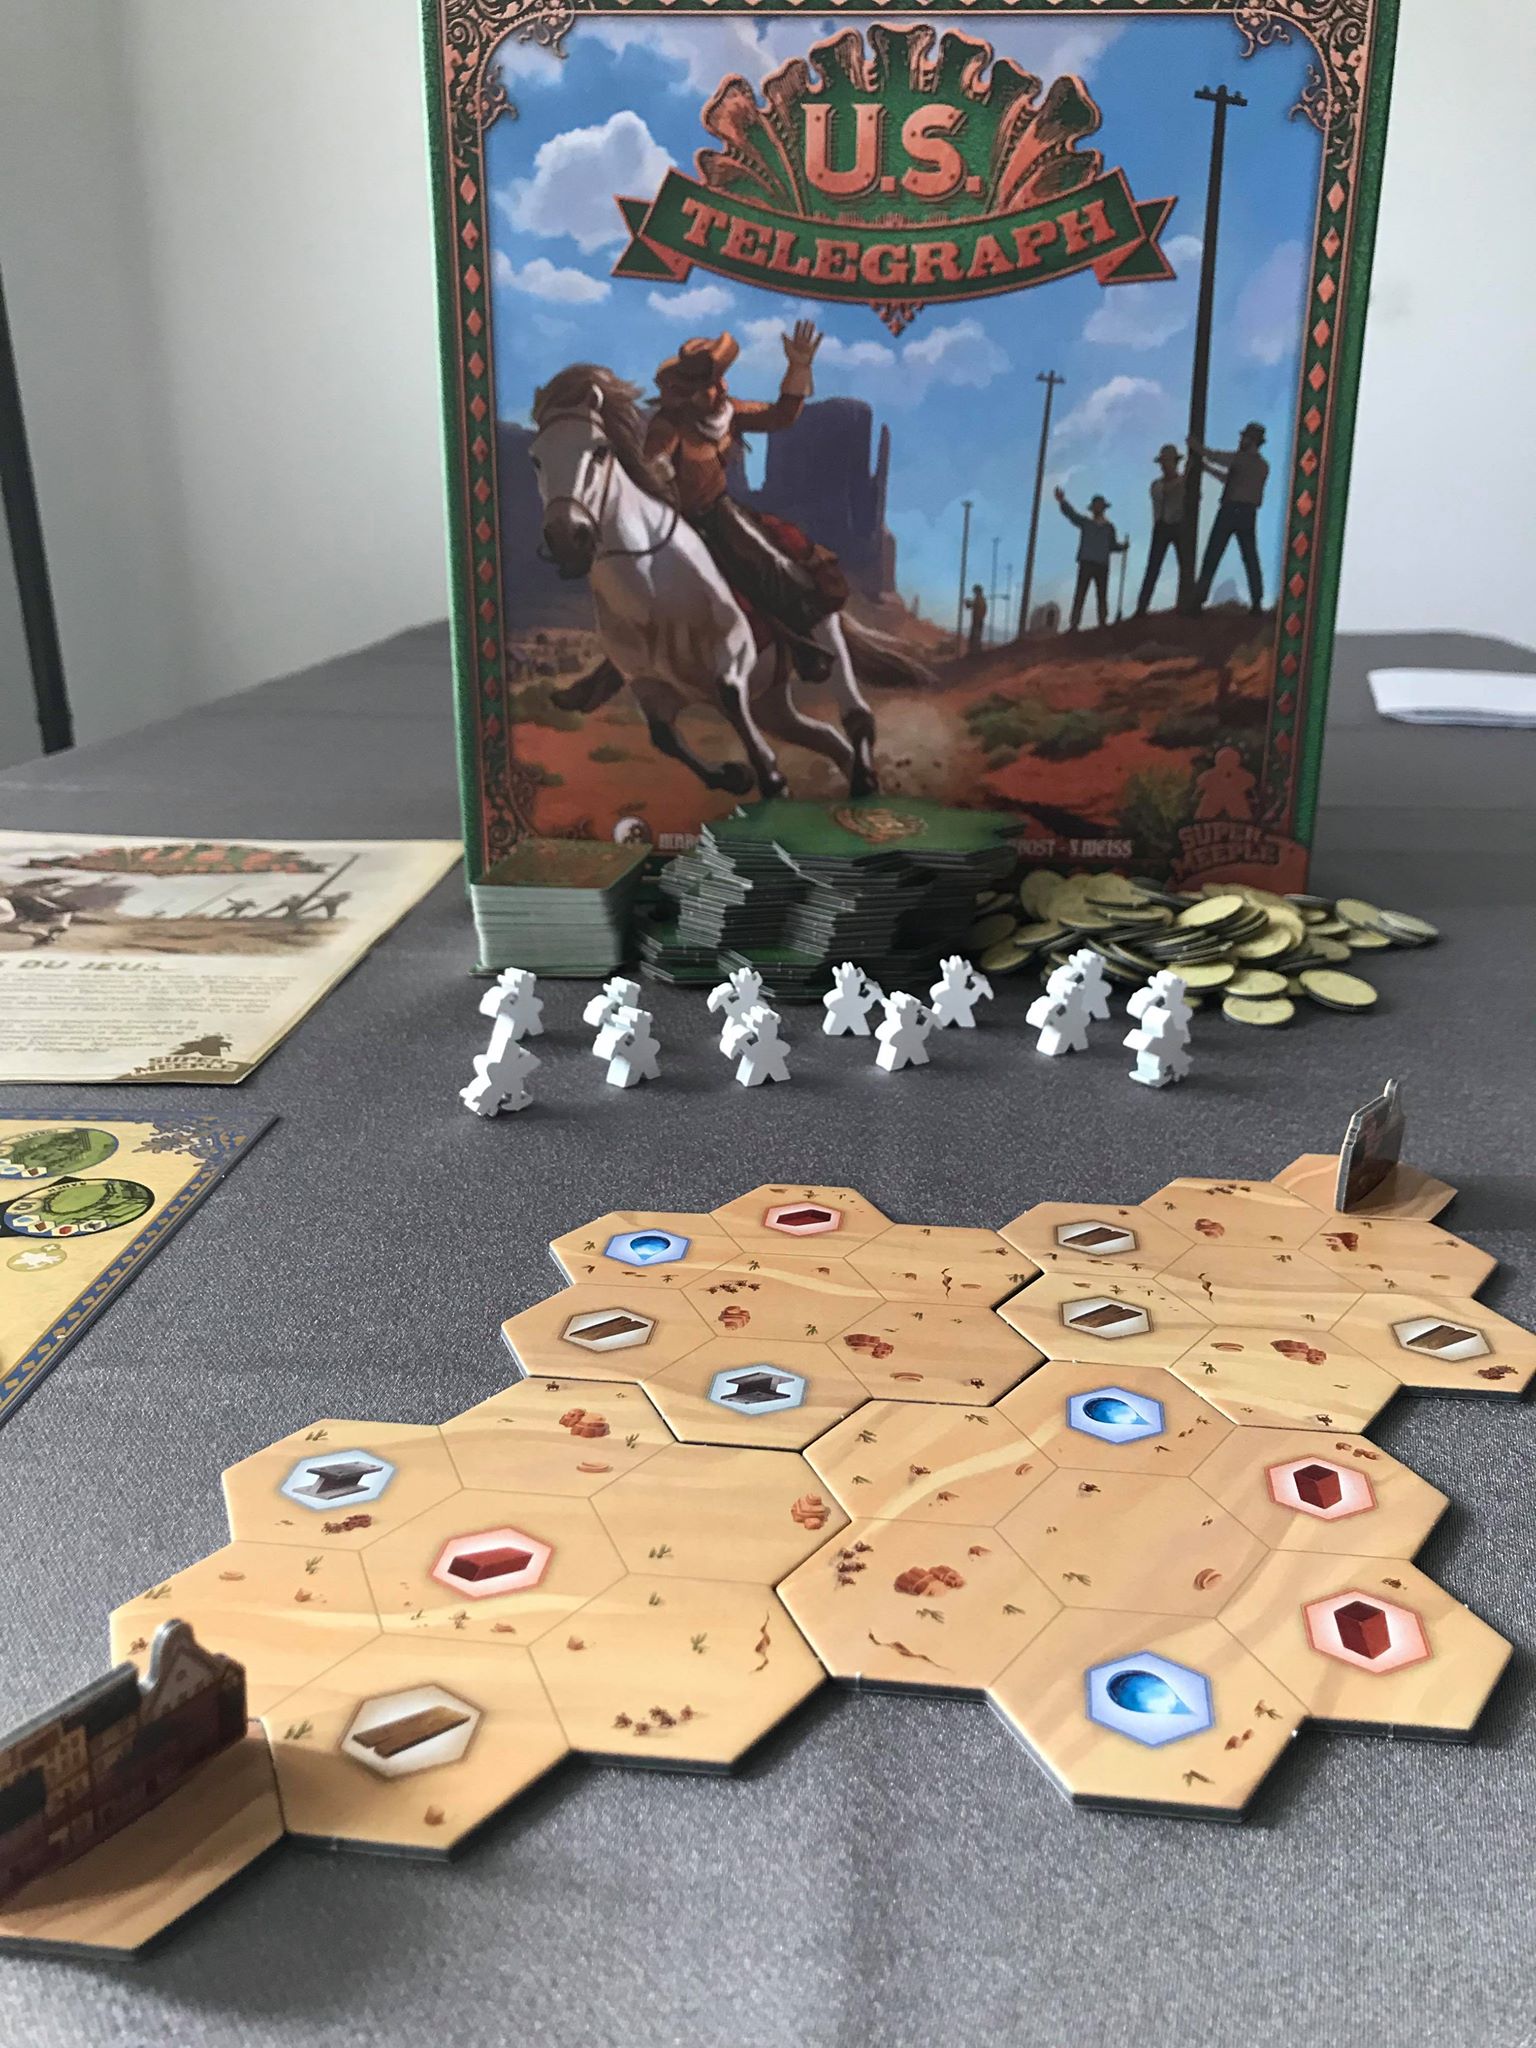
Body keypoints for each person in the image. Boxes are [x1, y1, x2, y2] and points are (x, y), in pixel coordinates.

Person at [643, 323, 845, 680]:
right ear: (690, 393)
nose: (723, 388)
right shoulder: (669, 425)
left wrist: (798, 367)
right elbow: (651, 467)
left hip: (720, 511)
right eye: (712, 384)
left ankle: (802, 640)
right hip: (678, 521)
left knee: (772, 562)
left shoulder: (728, 413)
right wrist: (659, 470)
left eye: (721, 379)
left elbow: (781, 416)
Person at [1192, 421, 1269, 613]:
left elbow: (1217, 457)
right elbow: (1231, 479)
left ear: (1251, 440)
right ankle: (1257, 601)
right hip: (1248, 513)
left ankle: (1198, 600)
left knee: (1213, 554)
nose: (1240, 440)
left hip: (1230, 510)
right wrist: (1206, 467)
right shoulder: (1262, 466)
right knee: (1250, 557)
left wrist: (1197, 448)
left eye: (1244, 437)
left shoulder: (1241, 459)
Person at [1055, 489, 1129, 630]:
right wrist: (1062, 501)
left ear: (1103, 508)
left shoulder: (1109, 527)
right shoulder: (1086, 523)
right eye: (1096, 506)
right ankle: (1074, 623)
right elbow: (1072, 515)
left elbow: (1112, 545)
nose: (1097, 508)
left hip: (1102, 564)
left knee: (1101, 594)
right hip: (1087, 562)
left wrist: (1122, 547)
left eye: (1099, 505)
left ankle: (1102, 621)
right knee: (1080, 593)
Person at [1135, 444, 1187, 616]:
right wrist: (1186, 477)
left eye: (1167, 461)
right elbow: (1166, 492)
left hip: (1179, 526)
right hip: (1161, 527)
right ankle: (1142, 607)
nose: (1164, 465)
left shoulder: (1184, 483)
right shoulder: (1156, 485)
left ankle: (1183, 603)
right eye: (1163, 462)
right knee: (1153, 567)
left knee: (1184, 565)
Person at [963, 583, 988, 656]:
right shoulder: (980, 599)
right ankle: (975, 652)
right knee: (976, 636)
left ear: (977, 591)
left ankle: (974, 653)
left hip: (977, 621)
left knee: (975, 637)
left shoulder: (979, 599)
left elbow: (971, 605)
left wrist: (967, 602)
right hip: (978, 620)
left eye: (975, 591)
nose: (974, 592)